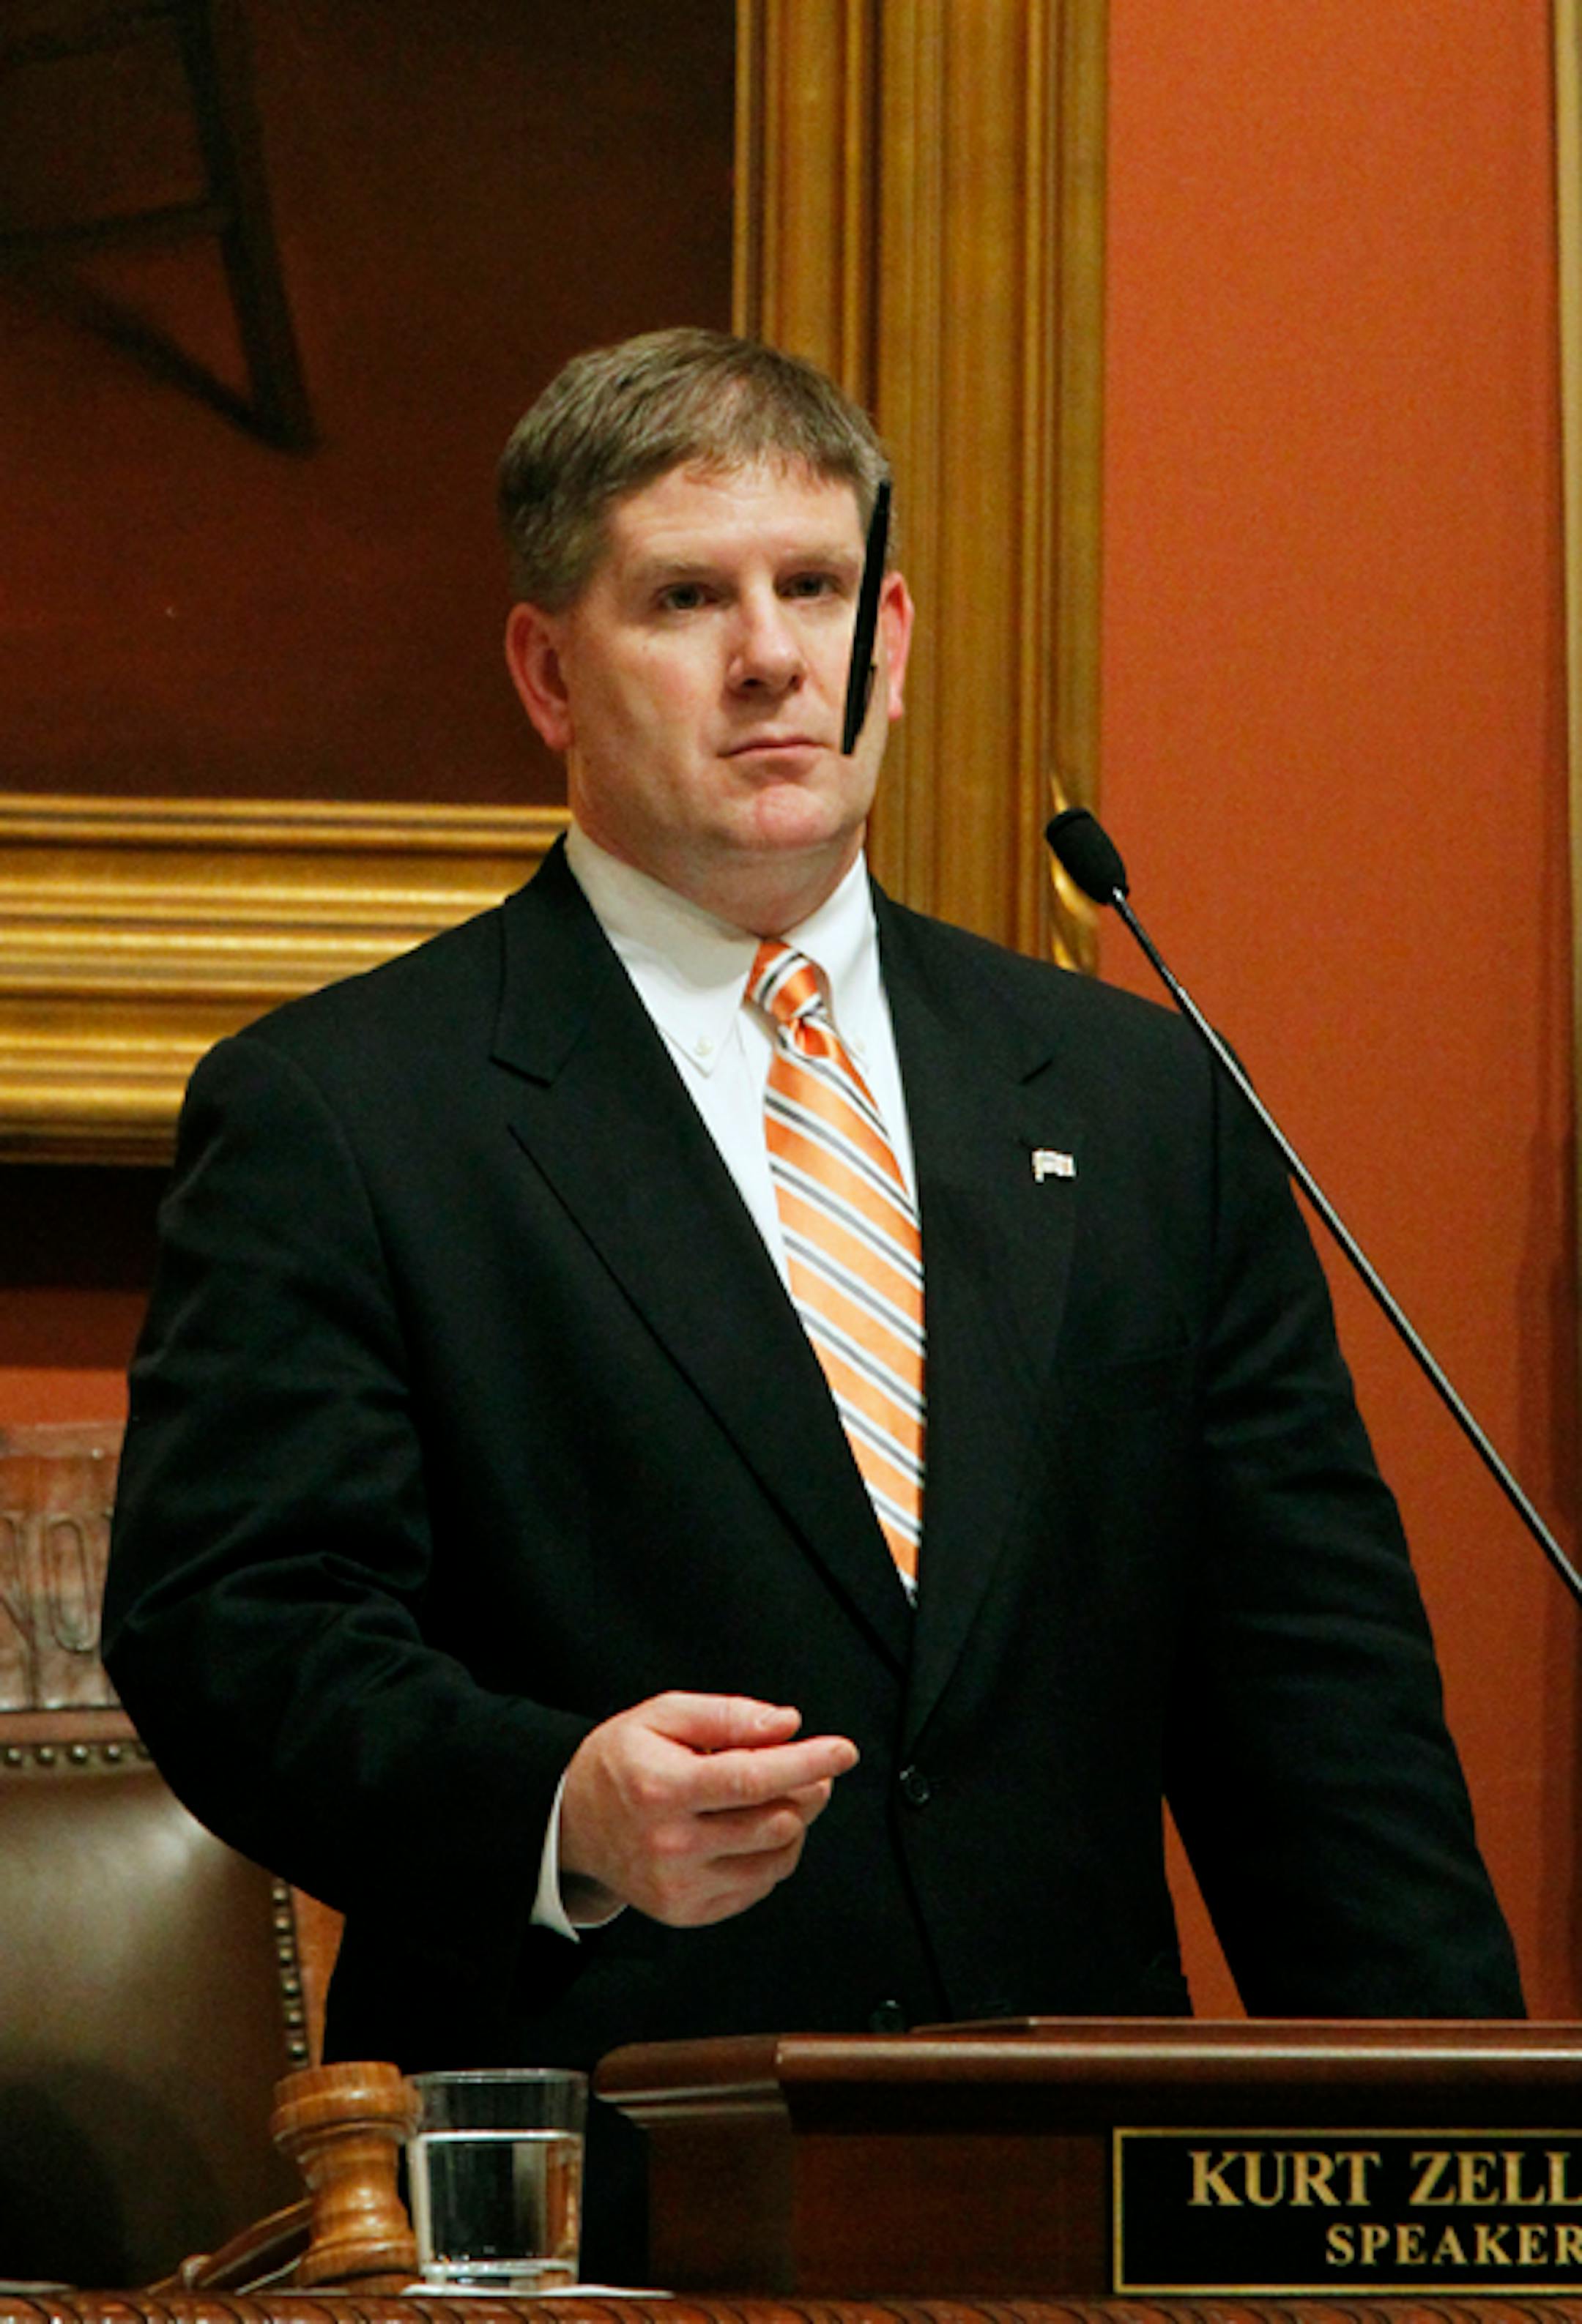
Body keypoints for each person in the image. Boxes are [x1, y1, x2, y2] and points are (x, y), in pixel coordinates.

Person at [103, 327, 1523, 2280]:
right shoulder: (351, 1110)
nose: (773, 656)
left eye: (818, 588)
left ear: (897, 639)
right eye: (687, 598)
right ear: (547, 672)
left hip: (1077, 2206)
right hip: (604, 2208)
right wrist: (561, 1806)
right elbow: (233, 1630)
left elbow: (1322, 1718)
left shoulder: (1140, 1104)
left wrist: (1471, 2218)